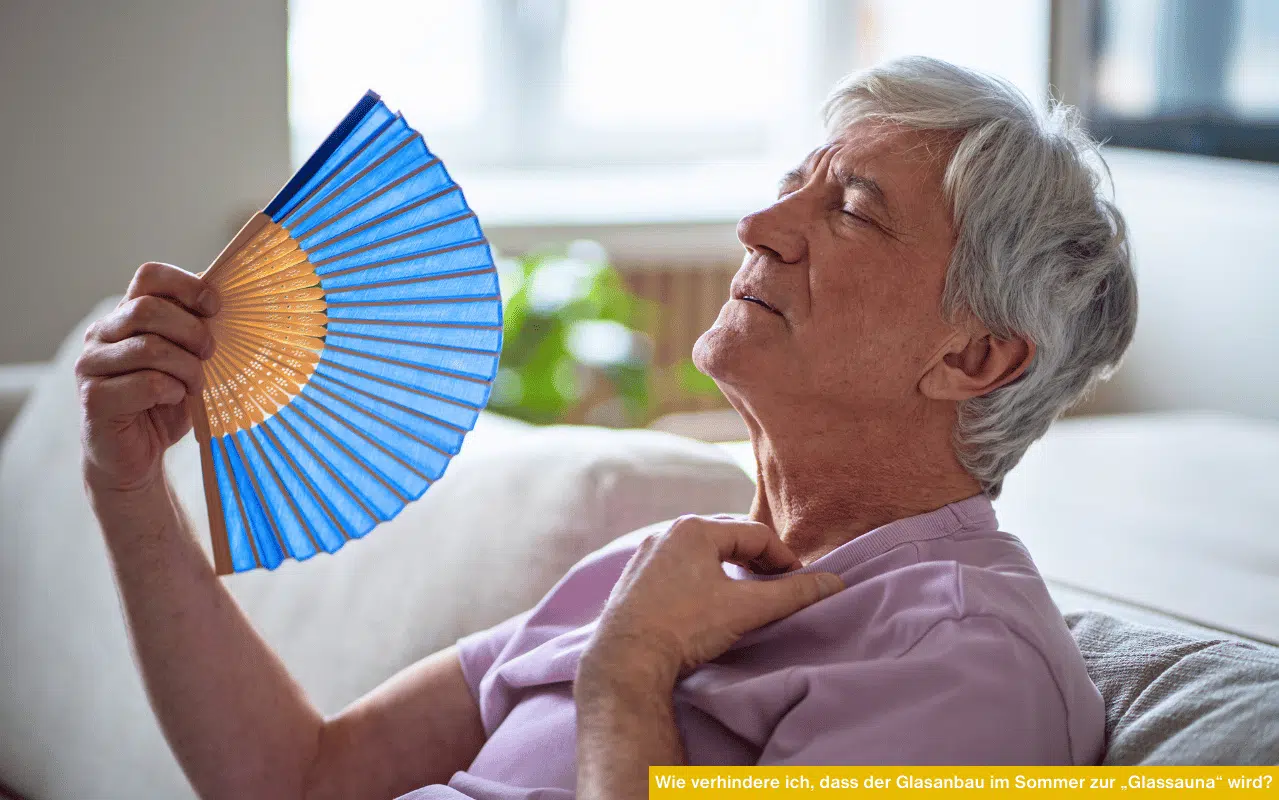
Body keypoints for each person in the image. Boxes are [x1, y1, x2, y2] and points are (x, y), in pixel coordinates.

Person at [76, 56, 1137, 800]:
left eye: (850, 209)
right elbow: (297, 776)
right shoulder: (658, 565)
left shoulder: (960, 659)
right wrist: (126, 489)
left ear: (974, 356)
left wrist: (626, 677)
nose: (759, 227)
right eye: (787, 189)